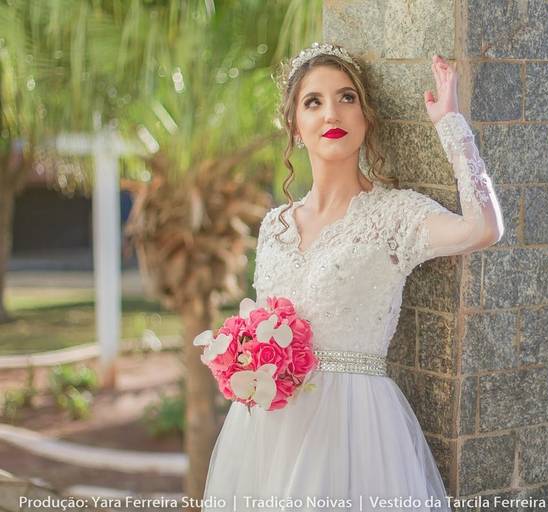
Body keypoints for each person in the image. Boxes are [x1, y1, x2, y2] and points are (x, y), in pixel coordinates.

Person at [202, 42, 504, 512]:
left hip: (356, 429)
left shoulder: (394, 214)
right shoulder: (275, 226)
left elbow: (483, 228)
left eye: (347, 98)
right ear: (295, 126)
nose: (332, 113)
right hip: (272, 431)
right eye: (313, 102)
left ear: (365, 117)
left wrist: (452, 126)